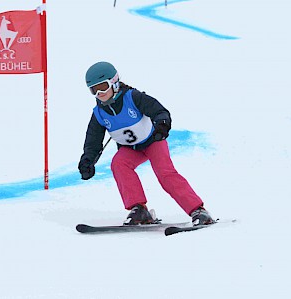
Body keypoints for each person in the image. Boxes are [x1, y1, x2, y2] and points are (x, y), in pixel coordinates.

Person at [78, 61, 214, 226]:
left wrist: (162, 125)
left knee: (165, 173)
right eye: (94, 89)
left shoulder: (133, 97)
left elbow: (159, 111)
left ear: (114, 82)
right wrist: (88, 160)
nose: (99, 93)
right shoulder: (99, 114)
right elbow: (93, 141)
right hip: (131, 149)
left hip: (153, 142)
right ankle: (139, 210)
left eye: (102, 87)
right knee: (119, 164)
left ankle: (198, 210)